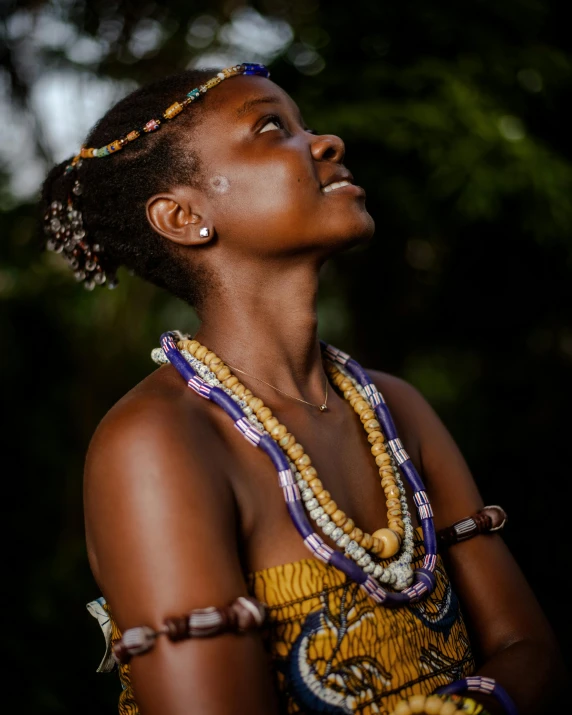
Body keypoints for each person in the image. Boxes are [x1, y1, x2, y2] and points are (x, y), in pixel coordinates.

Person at [40, 63, 563, 715]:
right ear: (182, 215)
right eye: (270, 127)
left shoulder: (397, 407)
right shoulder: (157, 443)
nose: (326, 143)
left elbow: (528, 644)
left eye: (305, 124)